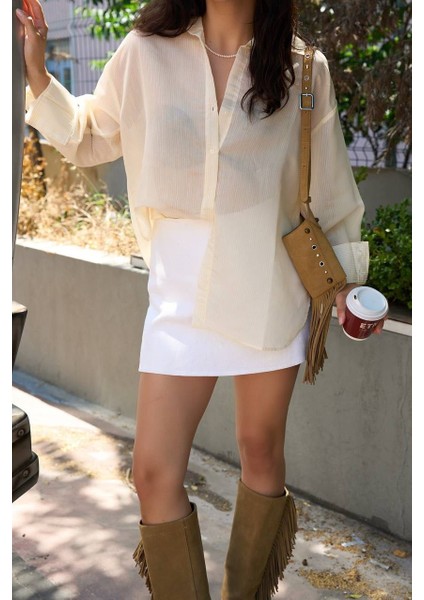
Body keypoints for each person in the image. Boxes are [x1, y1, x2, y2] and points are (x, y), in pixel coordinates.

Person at [17, 0, 383, 597]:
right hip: (177, 294)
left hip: (267, 288)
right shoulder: (145, 51)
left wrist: (344, 285)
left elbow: (333, 190)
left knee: (260, 450)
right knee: (153, 473)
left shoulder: (302, 68)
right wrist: (37, 69)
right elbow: (89, 136)